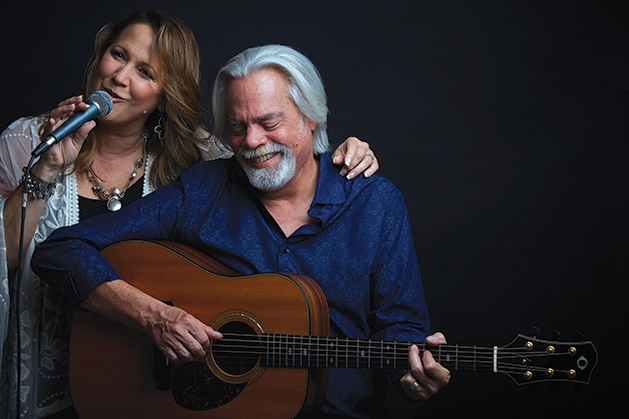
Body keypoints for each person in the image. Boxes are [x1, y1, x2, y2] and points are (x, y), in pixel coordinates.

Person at [31, 44, 450, 418]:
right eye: (236, 126)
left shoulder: (375, 202)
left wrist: (414, 379)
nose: (251, 141)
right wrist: (154, 317)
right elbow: (60, 251)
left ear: (312, 118)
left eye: (269, 122)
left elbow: (403, 332)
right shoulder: (203, 190)